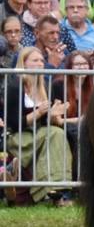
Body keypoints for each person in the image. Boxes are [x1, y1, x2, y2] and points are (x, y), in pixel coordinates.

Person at [1, 44, 75, 206]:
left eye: (42, 60)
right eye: (35, 60)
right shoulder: (14, 88)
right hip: (18, 136)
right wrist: (39, 113)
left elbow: (46, 124)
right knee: (54, 134)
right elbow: (13, 123)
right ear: (24, 63)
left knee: (56, 132)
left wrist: (53, 115)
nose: (40, 64)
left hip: (40, 134)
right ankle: (54, 190)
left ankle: (54, 189)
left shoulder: (46, 87)